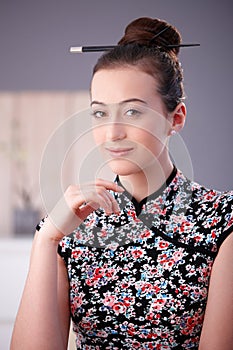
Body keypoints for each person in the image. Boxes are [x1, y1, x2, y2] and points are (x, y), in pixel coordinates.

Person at [10, 17, 233, 350]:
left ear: (176, 118)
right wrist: (46, 240)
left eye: (132, 112)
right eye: (100, 113)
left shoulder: (223, 220)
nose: (112, 133)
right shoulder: (69, 227)